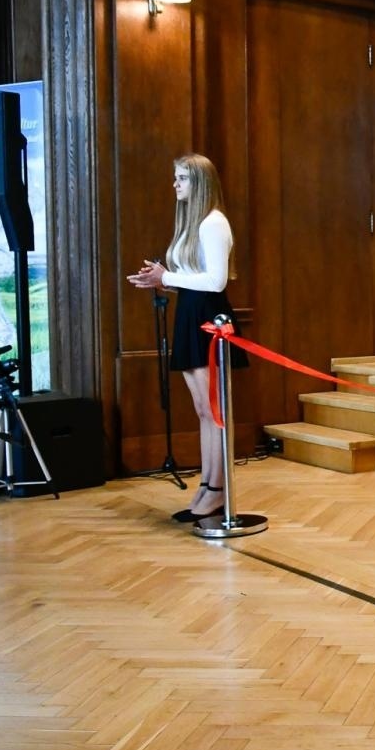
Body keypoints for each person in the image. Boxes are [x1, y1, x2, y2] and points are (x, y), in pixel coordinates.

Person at [126, 155, 247, 522]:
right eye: (175, 177)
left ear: (200, 182)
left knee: (214, 410)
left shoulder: (214, 223)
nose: (175, 185)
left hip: (209, 318)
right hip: (190, 314)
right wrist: (160, 280)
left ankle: (217, 489)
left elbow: (215, 282)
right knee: (201, 410)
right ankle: (208, 485)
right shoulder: (191, 224)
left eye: (182, 179)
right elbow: (190, 279)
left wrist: (168, 278)